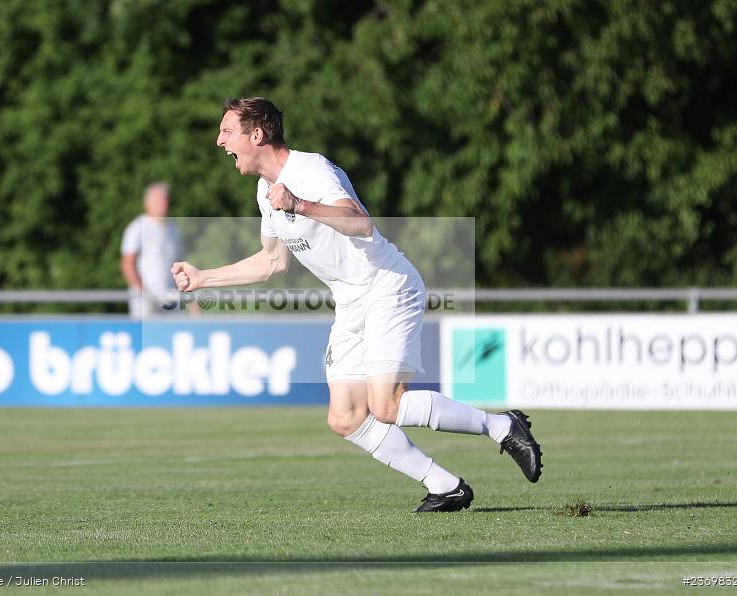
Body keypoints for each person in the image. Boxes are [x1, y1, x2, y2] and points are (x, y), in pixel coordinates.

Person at [171, 97, 542, 512]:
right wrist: (204, 279)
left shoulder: (308, 171)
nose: (220, 141)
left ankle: (502, 426)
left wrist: (300, 205)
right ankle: (446, 486)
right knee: (346, 417)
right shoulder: (265, 191)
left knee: (387, 405)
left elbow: (361, 222)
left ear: (256, 135)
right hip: (351, 302)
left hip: (387, 286)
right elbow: (273, 262)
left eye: (227, 131)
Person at [120, 182, 184, 318]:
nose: (163, 204)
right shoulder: (137, 228)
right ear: (147, 203)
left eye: (165, 200)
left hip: (170, 300)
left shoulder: (172, 228)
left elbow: (179, 265)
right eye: (159, 201)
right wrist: (144, 294)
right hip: (145, 303)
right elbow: (127, 264)